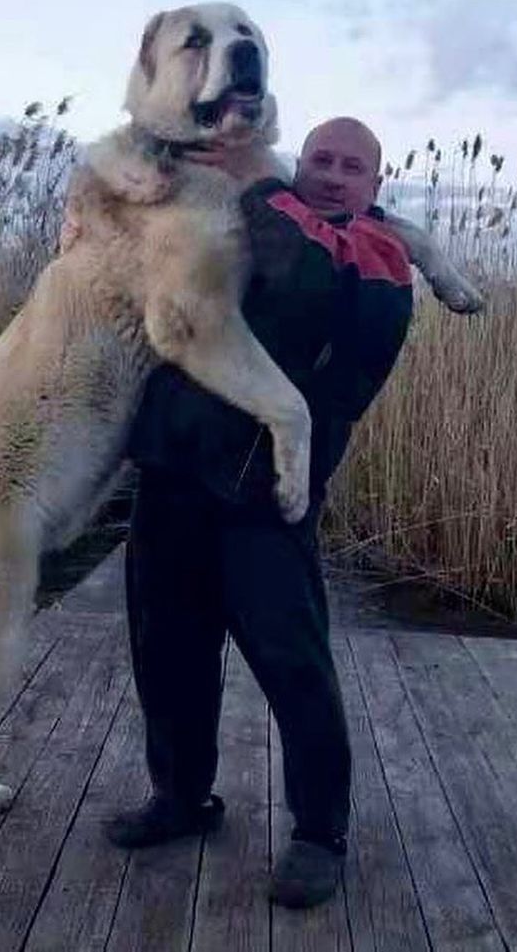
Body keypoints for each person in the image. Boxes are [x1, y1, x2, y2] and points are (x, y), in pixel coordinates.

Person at [109, 117, 413, 909]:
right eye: (321, 159)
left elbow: (306, 286)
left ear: (376, 185)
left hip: (262, 504)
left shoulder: (375, 257)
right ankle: (182, 797)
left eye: (354, 166)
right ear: (301, 160)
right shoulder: (243, 219)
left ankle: (320, 831)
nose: (335, 174)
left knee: (293, 666)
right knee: (165, 654)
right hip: (171, 480)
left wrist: (262, 180)